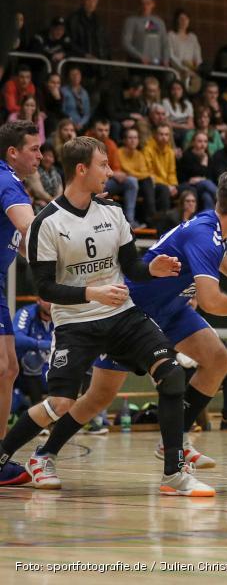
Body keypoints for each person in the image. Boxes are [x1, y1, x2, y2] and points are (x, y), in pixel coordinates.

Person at [3, 136, 208, 495]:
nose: (111, 172)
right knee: (61, 403)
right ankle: (10, 455)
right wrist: (91, 293)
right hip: (75, 324)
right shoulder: (46, 223)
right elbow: (46, 290)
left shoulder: (112, 212)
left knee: (172, 375)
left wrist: (152, 268)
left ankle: (174, 474)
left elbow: (131, 266)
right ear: (81, 169)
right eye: (103, 165)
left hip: (122, 315)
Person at [89, 171, 227, 476]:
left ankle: (174, 442)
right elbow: (212, 302)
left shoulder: (217, 228)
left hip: (172, 308)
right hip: (136, 310)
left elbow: (218, 252)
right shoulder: (205, 232)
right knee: (97, 397)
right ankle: (45, 453)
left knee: (217, 360)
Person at [0, 122, 41, 485]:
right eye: (34, 148)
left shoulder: (10, 180)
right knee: (3, 366)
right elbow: (33, 229)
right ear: (13, 152)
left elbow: (27, 246)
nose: (40, 156)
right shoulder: (7, 183)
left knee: (8, 368)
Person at [90, 118, 140, 228]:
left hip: (107, 181)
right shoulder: (86, 143)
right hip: (90, 183)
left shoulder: (111, 144)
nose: (103, 133)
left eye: (106, 130)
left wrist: (113, 174)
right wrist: (110, 174)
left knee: (131, 181)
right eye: (100, 130)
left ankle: (129, 221)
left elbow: (116, 168)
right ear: (94, 130)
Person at [12, 297, 53, 410]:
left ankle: (93, 417)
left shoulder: (62, 315)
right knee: (32, 358)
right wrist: (39, 344)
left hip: (52, 372)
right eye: (47, 299)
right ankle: (37, 412)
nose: (51, 303)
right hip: (25, 376)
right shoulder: (27, 312)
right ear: (38, 300)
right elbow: (16, 338)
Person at [122, 0, 169, 66]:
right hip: (138, 62)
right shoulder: (131, 21)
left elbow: (165, 43)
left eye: (148, 3)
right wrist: (140, 56)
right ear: (139, 5)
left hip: (157, 63)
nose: (145, 7)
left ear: (153, 4)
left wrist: (166, 59)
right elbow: (126, 43)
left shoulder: (159, 22)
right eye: (142, 4)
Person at [176, 130, 217, 211]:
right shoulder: (187, 156)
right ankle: (224, 198)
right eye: (200, 141)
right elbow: (192, 175)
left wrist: (201, 179)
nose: (203, 145)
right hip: (187, 185)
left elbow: (211, 175)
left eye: (205, 142)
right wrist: (204, 163)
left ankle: (207, 222)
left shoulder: (208, 156)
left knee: (207, 196)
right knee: (206, 183)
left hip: (202, 187)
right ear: (193, 142)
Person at [167, 9, 202, 93]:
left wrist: (197, 68)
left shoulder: (192, 37)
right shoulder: (171, 35)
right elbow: (171, 55)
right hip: (177, 70)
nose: (183, 21)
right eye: (181, 19)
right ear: (177, 21)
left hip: (192, 70)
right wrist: (183, 69)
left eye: (186, 19)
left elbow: (198, 56)